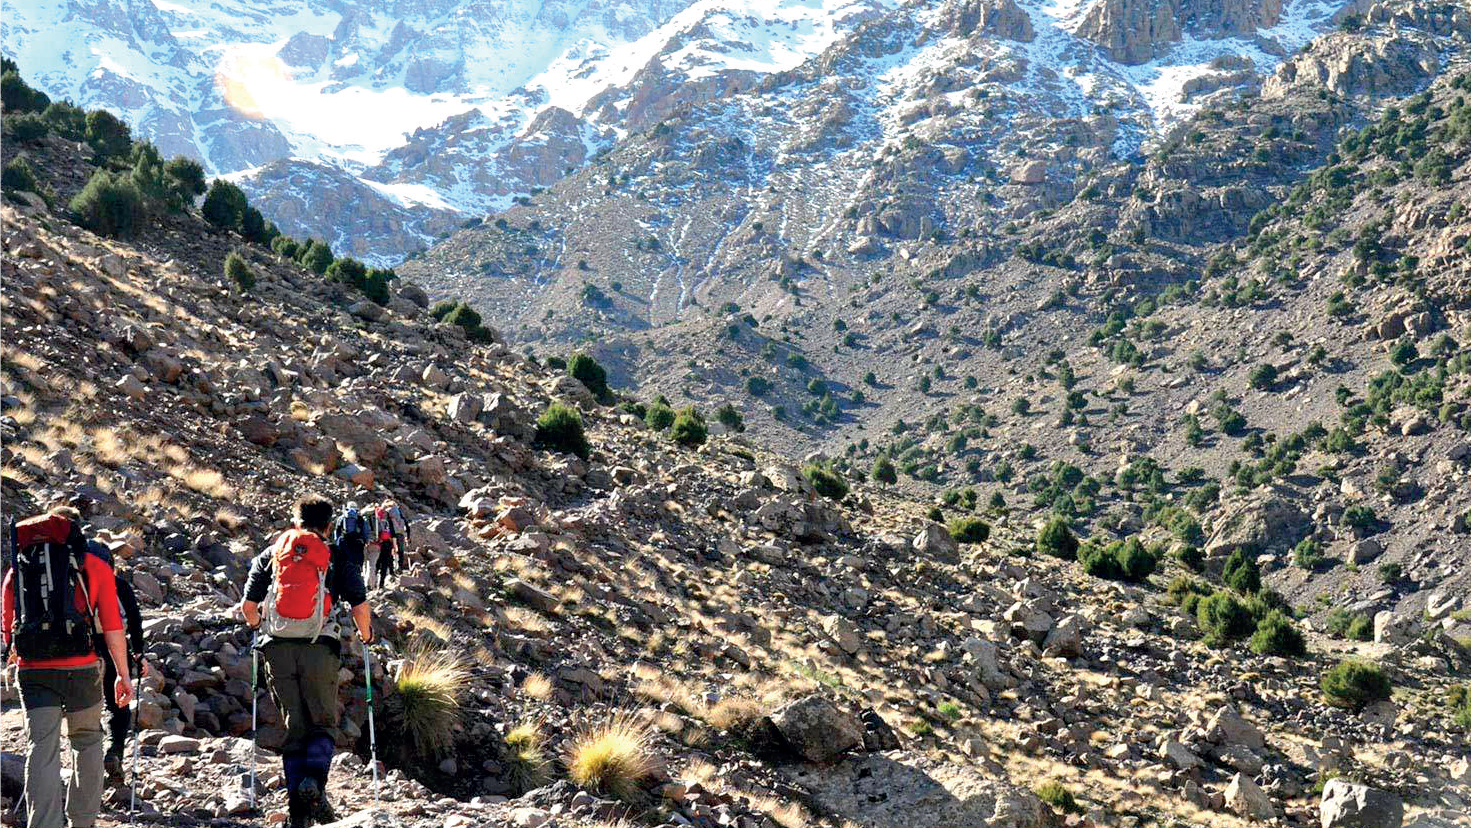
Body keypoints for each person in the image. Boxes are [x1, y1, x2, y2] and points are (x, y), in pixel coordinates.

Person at [239, 495, 370, 828]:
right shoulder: (334, 555)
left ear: (294, 521)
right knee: (323, 724)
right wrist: (366, 635)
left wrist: (259, 627)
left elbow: (248, 607)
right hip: (318, 648)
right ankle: (314, 781)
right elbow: (359, 604)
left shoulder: (273, 554)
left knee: (295, 731)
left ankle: (299, 817)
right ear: (329, 526)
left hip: (277, 649)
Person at [1, 506, 133, 828]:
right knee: (87, 739)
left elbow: (7, 620)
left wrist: (12, 654)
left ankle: (43, 823)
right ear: (74, 531)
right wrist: (122, 674)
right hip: (81, 667)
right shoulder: (93, 561)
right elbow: (112, 625)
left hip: (33, 669)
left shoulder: (20, 563)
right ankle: (82, 822)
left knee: (40, 748)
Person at [88, 541, 144, 785]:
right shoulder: (118, 584)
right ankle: (114, 751)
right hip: (116, 648)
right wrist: (139, 653)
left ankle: (88, 762)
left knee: (85, 708)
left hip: (85, 651)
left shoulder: (77, 585)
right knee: (117, 705)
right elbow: (134, 619)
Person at [383, 500, 410, 584]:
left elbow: (387, 523)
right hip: (401, 533)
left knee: (391, 551)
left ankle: (391, 570)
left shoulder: (387, 511)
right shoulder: (398, 511)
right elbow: (405, 522)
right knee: (400, 551)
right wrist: (408, 536)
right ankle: (400, 567)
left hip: (392, 534)